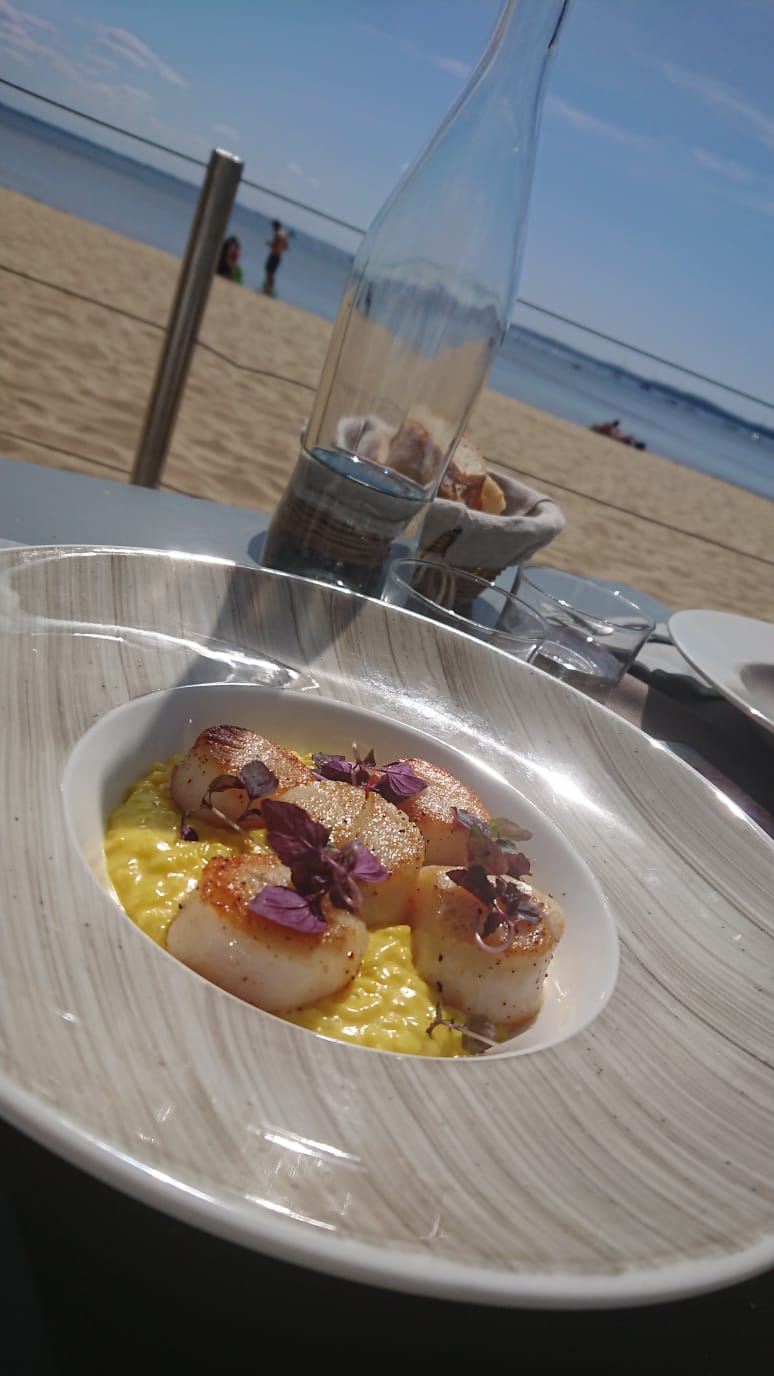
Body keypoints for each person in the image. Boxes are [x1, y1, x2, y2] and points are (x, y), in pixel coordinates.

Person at [263, 219, 289, 295]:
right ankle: (269, 290)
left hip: (274, 255)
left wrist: (269, 243)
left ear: (275, 226)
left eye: (273, 226)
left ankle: (268, 290)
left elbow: (275, 243)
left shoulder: (278, 234)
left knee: (269, 272)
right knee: (272, 273)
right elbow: (286, 247)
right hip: (278, 256)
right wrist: (279, 247)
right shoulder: (284, 234)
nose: (272, 228)